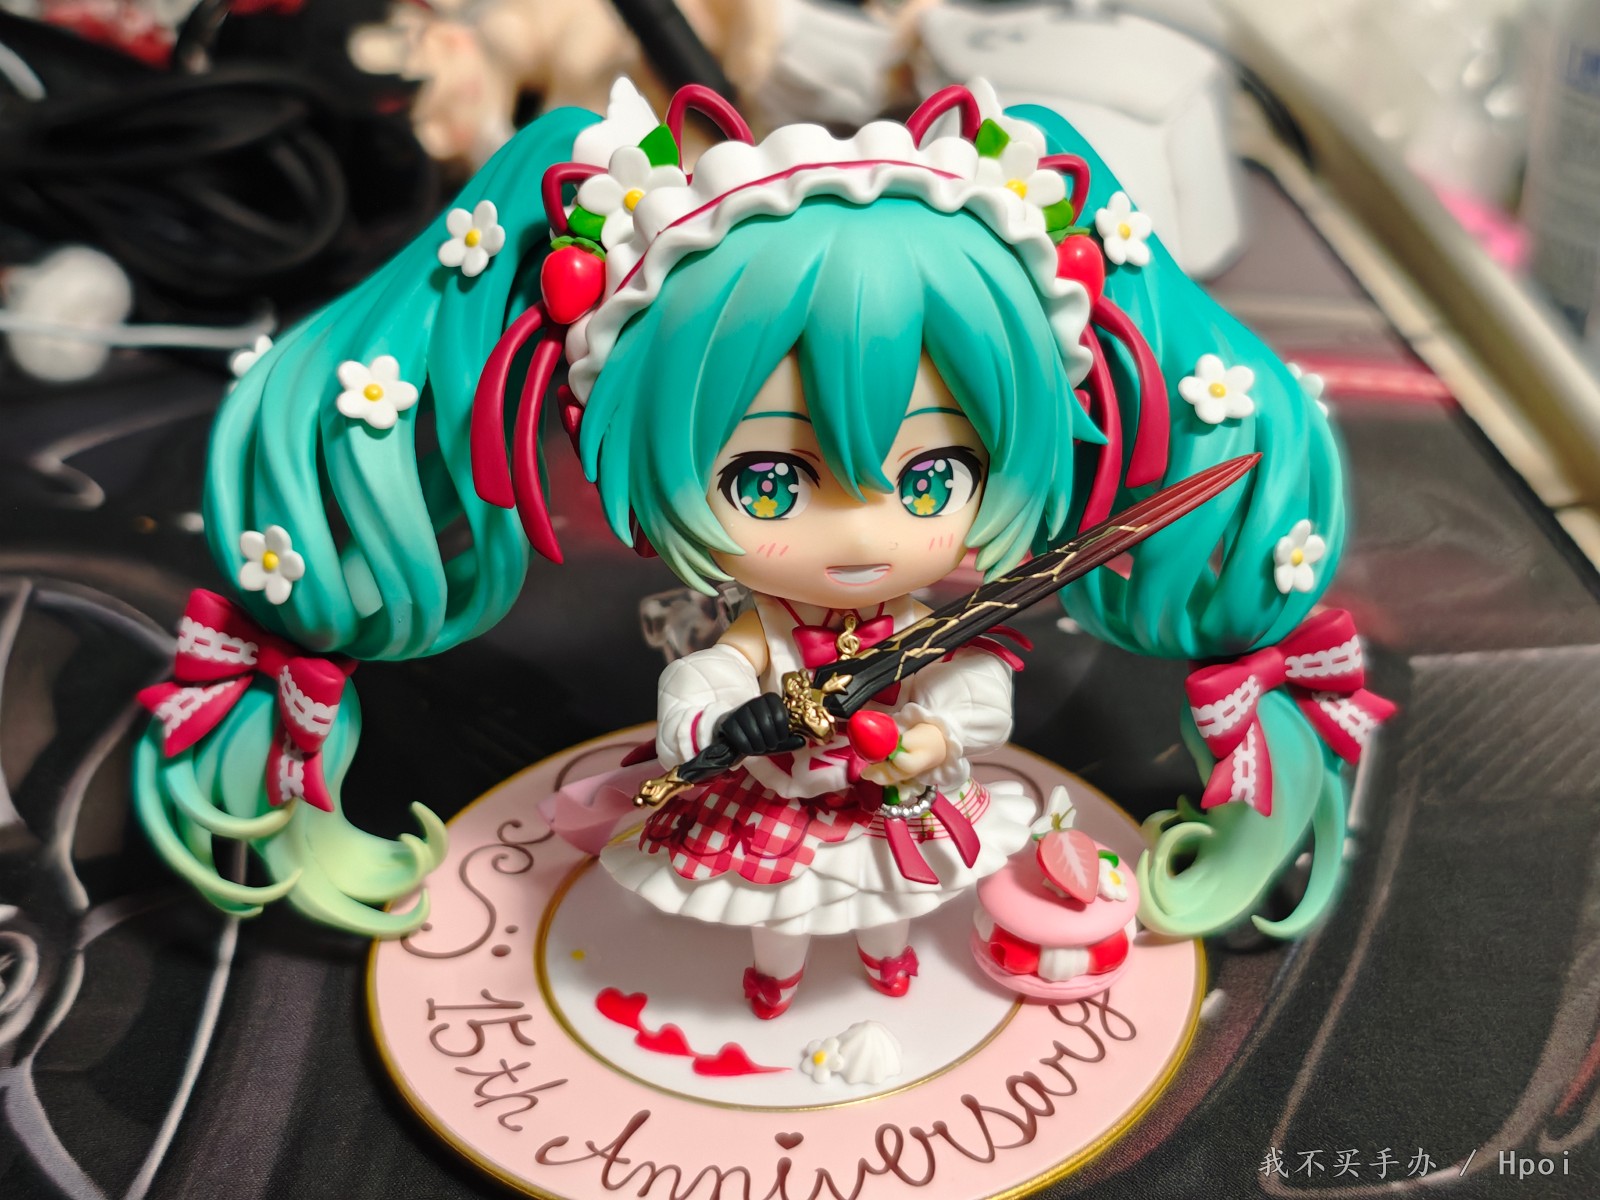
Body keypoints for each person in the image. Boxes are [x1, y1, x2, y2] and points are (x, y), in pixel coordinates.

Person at [133, 79, 1382, 973]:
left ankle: (891, 967)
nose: (864, 534)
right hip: (773, 802)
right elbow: (706, 684)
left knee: (887, 916)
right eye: (770, 483)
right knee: (780, 930)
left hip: (893, 810)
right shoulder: (758, 632)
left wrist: (933, 733)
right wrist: (729, 719)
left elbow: (974, 692)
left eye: (934, 477)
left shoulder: (925, 621)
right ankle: (779, 985)